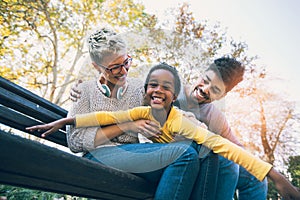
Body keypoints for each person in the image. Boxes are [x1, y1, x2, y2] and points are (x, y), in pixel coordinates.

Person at [27, 63, 300, 200]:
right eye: (205, 81)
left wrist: (272, 174)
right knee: (209, 156)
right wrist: (81, 96)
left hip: (187, 158)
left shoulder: (210, 117)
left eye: (214, 90)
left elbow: (229, 145)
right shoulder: (160, 93)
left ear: (221, 96)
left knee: (251, 177)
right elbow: (114, 109)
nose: (204, 89)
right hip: (163, 158)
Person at [32, 28, 201, 200]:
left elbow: (168, 110)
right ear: (96, 66)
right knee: (184, 155)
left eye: (126, 62)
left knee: (199, 152)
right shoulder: (85, 91)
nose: (124, 71)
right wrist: (127, 125)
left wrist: (196, 127)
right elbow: (75, 142)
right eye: (114, 68)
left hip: (133, 156)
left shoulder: (138, 88)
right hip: (98, 156)